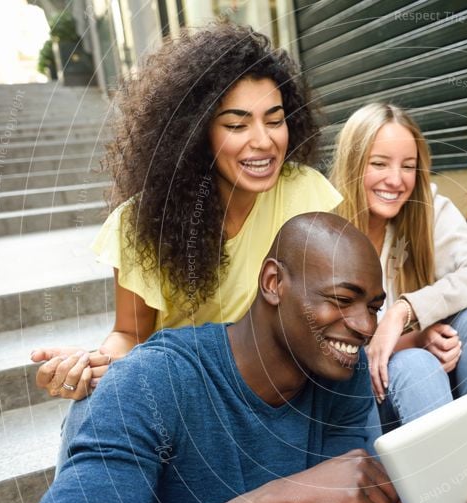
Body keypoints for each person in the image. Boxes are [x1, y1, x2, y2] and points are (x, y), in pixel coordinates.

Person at [30, 213, 467, 503]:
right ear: (274, 283)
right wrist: (279, 499)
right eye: (342, 300)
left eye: (373, 306)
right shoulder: (149, 384)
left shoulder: (340, 379)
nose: (364, 326)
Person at [29, 25, 341, 461]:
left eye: (275, 120)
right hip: (184, 394)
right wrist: (94, 365)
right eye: (237, 124)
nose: (263, 140)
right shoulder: (141, 223)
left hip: (279, 391)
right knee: (94, 410)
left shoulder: (306, 193)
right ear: (195, 133)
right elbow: (129, 333)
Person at [331, 103, 467, 430]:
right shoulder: (325, 231)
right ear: (353, 164)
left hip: (426, 396)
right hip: (357, 398)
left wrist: (406, 311)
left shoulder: (426, 210)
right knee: (417, 365)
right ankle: (453, 475)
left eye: (408, 166)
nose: (396, 180)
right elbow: (330, 355)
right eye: (379, 164)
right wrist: (415, 339)